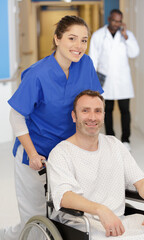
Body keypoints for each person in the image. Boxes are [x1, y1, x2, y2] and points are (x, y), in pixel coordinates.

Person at [0, 16, 103, 240]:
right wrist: (33, 153)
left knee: (64, 214)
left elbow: (93, 104)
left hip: (66, 154)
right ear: (57, 39)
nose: (79, 46)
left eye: (84, 40)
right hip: (35, 153)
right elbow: (16, 116)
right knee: (35, 215)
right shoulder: (37, 73)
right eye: (72, 38)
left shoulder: (85, 64)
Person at [48, 90, 144, 240]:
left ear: (103, 116)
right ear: (74, 116)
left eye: (98, 111)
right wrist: (100, 210)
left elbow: (141, 181)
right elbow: (64, 197)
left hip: (120, 222)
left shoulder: (114, 145)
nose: (92, 117)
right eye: (85, 111)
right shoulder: (61, 153)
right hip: (83, 225)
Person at [89, 9, 140, 151]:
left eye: (119, 21)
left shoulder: (127, 35)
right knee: (107, 111)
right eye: (114, 20)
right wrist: (92, 80)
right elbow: (93, 58)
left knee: (125, 110)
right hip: (105, 80)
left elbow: (134, 53)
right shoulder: (98, 35)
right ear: (109, 19)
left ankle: (125, 140)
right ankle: (110, 137)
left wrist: (126, 37)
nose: (117, 24)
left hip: (123, 81)